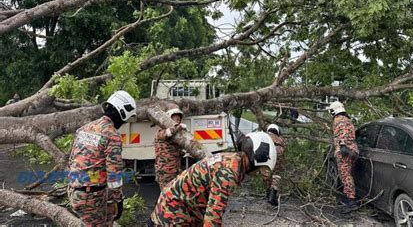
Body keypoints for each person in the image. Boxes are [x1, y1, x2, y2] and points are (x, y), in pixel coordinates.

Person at [148, 131, 277, 226]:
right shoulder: (228, 173)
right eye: (261, 169)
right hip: (173, 213)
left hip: (181, 207)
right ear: (256, 160)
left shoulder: (231, 160)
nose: (259, 173)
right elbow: (213, 216)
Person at [68, 90, 137, 226]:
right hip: (91, 197)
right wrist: (116, 201)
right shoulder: (112, 136)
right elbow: (114, 175)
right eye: (125, 120)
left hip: (74, 191)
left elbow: (72, 160)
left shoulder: (84, 128)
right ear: (122, 113)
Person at [326, 101, 359, 214]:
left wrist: (343, 145)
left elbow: (342, 132)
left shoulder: (338, 119)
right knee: (348, 175)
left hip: (344, 151)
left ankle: (351, 202)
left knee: (345, 175)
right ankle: (348, 198)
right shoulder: (347, 119)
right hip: (352, 150)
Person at [154, 108, 187, 189]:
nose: (177, 122)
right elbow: (168, 133)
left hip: (175, 170)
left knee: (175, 194)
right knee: (166, 195)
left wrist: (184, 152)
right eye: (175, 120)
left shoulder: (175, 138)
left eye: (179, 120)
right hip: (165, 172)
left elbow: (176, 152)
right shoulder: (160, 133)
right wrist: (179, 127)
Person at [262, 124, 285, 206]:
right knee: (276, 174)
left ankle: (268, 192)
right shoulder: (281, 138)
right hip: (278, 150)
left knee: (266, 171)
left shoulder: (264, 135)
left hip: (266, 150)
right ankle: (273, 194)